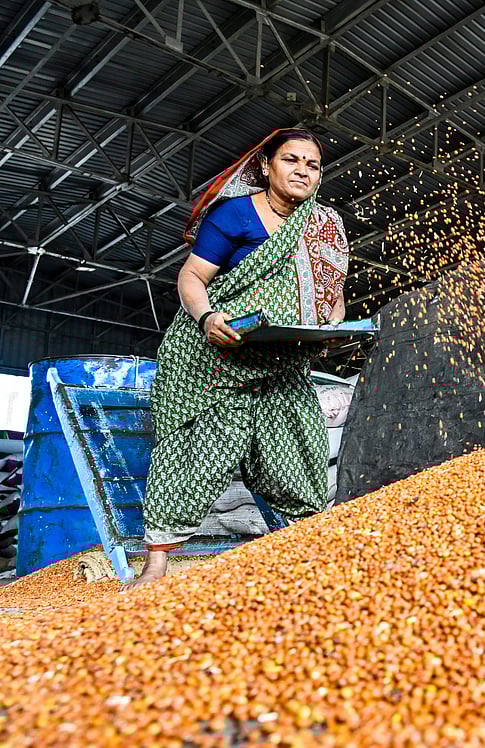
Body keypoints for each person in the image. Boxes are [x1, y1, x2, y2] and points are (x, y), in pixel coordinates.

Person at [122, 128, 349, 591]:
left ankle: (304, 557)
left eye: (313, 165)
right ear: (266, 167)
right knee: (190, 457)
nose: (303, 171)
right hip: (216, 365)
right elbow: (192, 277)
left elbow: (332, 296)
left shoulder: (323, 223)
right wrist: (207, 317)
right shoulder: (235, 215)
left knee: (295, 456)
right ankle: (156, 567)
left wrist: (331, 328)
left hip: (281, 368)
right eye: (292, 160)